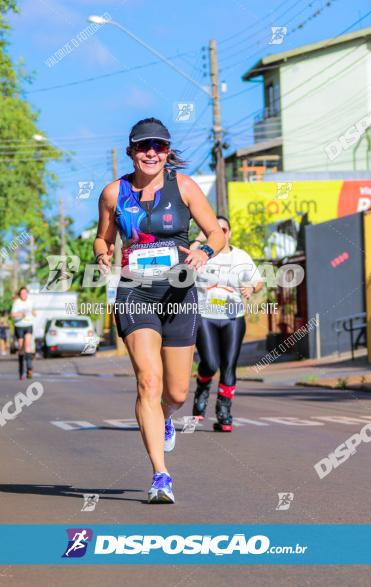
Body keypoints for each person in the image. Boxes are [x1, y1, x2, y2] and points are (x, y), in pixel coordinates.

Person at [94, 117, 224, 504]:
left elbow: (215, 231)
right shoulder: (113, 194)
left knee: (178, 392)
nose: (152, 152)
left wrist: (203, 249)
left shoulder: (183, 187)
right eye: (144, 146)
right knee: (148, 381)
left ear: (167, 152)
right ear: (132, 150)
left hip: (180, 294)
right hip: (136, 293)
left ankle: (167, 417)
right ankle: (160, 474)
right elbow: (103, 238)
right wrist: (103, 256)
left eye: (160, 146)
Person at [190, 216, 263, 431]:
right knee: (211, 363)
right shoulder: (201, 254)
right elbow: (183, 265)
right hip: (205, 316)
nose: (220, 233)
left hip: (233, 318)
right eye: (215, 229)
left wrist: (251, 288)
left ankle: (224, 412)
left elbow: (258, 281)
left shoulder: (240, 256)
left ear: (229, 232)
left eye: (224, 229)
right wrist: (200, 238)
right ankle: (202, 390)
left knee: (229, 366)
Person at [11, 287, 37, 380]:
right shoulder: (17, 303)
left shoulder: (30, 301)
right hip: (19, 326)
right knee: (21, 348)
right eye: (22, 293)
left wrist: (34, 313)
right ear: (20, 294)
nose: (24, 295)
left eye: (25, 293)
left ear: (27, 293)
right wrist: (20, 315)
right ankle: (21, 370)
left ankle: (29, 368)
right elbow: (12, 314)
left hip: (28, 325)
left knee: (28, 346)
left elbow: (33, 310)